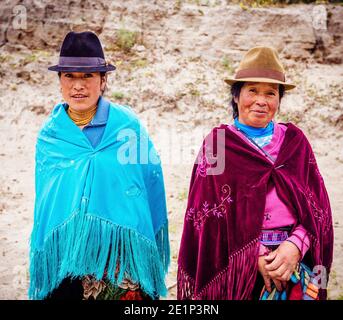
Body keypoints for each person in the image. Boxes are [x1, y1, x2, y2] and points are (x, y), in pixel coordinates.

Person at [177, 46, 333, 300]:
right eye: (252, 91)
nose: (261, 100)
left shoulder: (295, 142)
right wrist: (255, 255)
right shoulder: (218, 145)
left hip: (294, 259)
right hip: (236, 266)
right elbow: (208, 218)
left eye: (270, 93)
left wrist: (295, 246)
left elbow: (318, 209)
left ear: (279, 100)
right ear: (236, 96)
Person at [29, 31, 170, 300]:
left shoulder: (127, 126)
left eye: (88, 76)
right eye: (69, 76)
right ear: (59, 81)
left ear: (103, 80)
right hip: (66, 259)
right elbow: (47, 201)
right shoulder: (51, 135)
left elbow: (149, 182)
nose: (78, 85)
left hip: (120, 259)